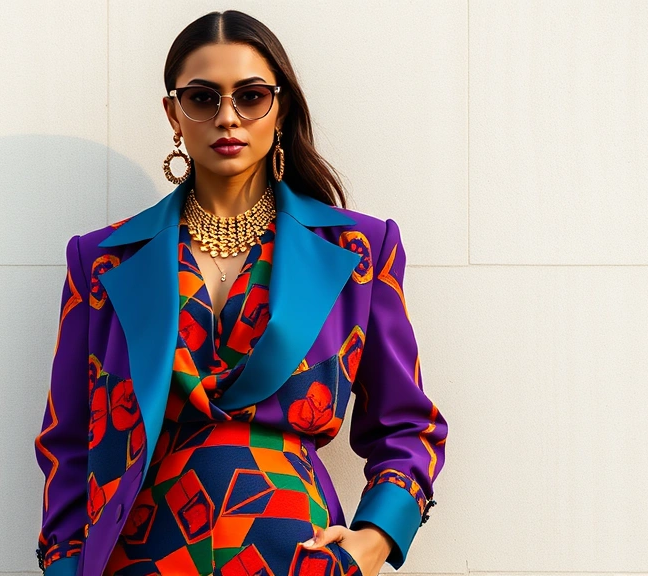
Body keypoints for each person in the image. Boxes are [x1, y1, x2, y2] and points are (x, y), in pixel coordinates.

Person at [34, 10, 448, 576]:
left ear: (279, 109)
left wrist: (372, 542)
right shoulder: (101, 260)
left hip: (298, 559)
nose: (227, 117)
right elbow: (69, 441)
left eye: (250, 96)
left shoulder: (362, 250)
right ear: (173, 114)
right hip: (142, 558)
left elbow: (408, 427)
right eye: (203, 98)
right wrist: (63, 566)